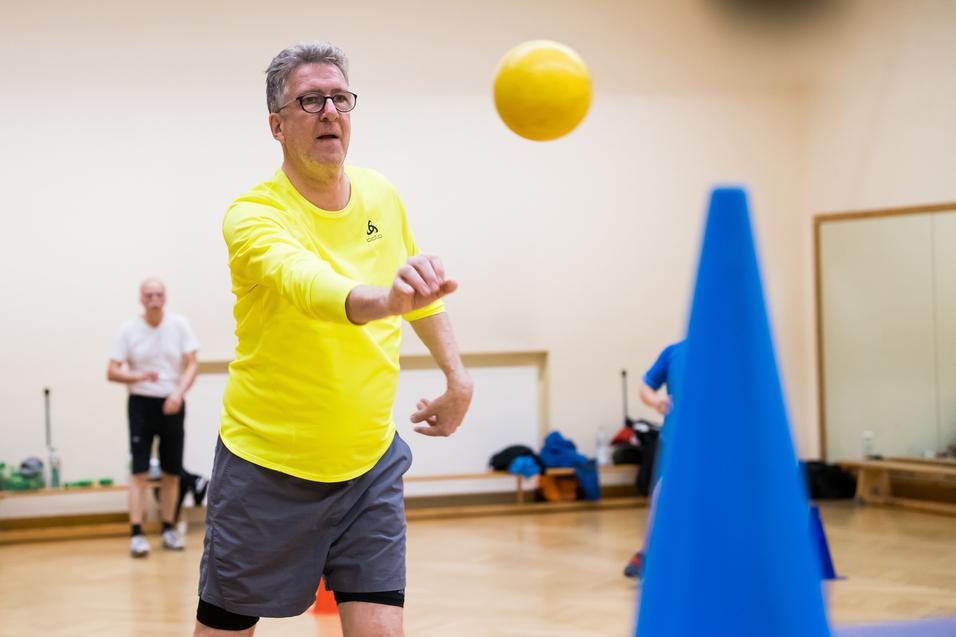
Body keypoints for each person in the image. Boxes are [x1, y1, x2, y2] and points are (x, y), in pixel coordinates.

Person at [194, 42, 473, 637]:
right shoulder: (253, 215)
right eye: (310, 99)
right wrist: (385, 301)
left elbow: (422, 292)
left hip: (369, 465)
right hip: (266, 469)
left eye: (340, 98)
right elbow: (309, 286)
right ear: (277, 124)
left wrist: (457, 375)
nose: (330, 111)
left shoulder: (380, 197)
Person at [107, 278, 200, 557]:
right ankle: (136, 534)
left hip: (172, 402)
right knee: (139, 472)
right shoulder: (128, 329)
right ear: (141, 299)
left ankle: (169, 528)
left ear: (165, 297)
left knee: (172, 471)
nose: (154, 300)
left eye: (159, 294)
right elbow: (112, 371)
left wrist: (178, 394)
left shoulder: (179, 325)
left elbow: (193, 362)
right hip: (141, 403)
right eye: (149, 295)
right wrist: (138, 376)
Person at [624, 340, 685, 579]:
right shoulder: (674, 353)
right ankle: (647, 554)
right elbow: (645, 387)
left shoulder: (727, 351)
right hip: (675, 441)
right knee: (661, 496)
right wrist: (655, 400)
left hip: (715, 443)